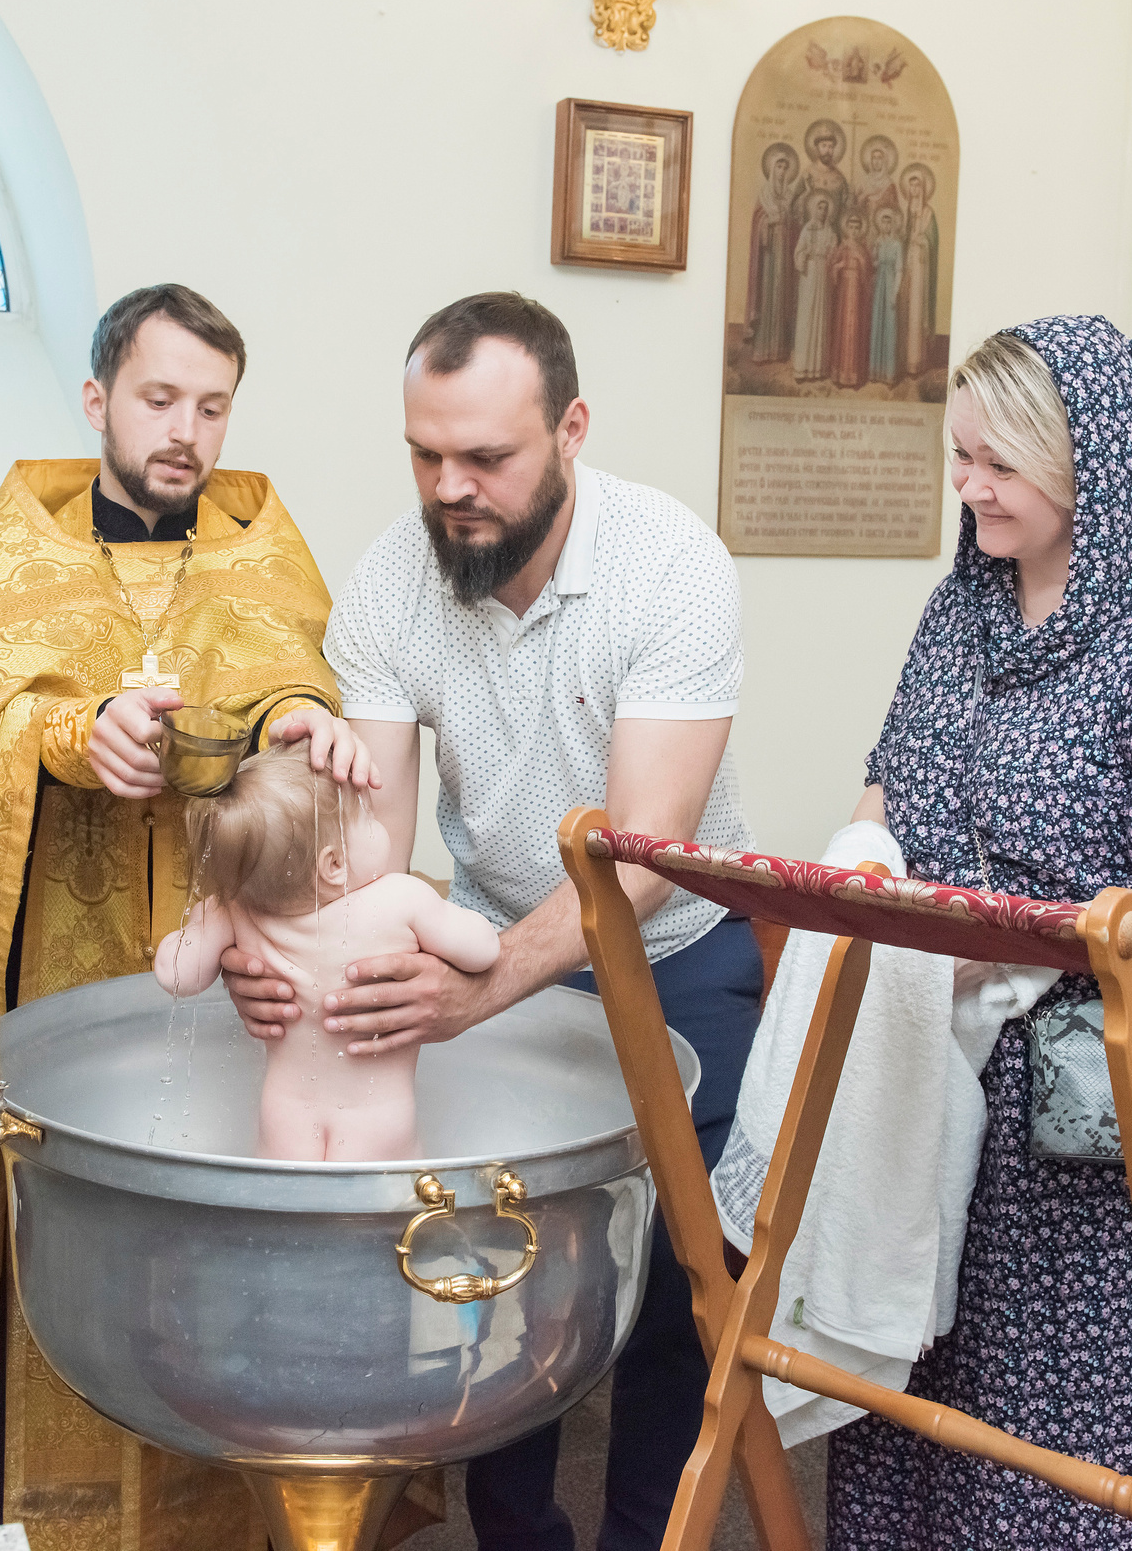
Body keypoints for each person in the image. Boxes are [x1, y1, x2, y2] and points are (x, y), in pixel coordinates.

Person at [0, 283, 375, 1547]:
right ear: (97, 400)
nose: (186, 430)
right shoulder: (18, 545)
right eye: (158, 398)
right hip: (52, 966)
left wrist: (296, 716)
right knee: (60, 1228)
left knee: (197, 1247)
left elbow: (295, 671)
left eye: (210, 405)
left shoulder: (262, 543)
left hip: (215, 967)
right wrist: (72, 735)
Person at [226, 291, 760, 1551]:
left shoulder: (670, 566)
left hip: (674, 952)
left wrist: (481, 986)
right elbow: (368, 856)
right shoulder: (390, 584)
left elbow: (643, 863)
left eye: (486, 457)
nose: (449, 486)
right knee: (491, 1265)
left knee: (684, 1288)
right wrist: (277, 948)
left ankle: (645, 1536)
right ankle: (517, 1539)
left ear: (570, 429)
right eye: (425, 453)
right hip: (489, 937)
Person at [824, 316, 1132, 1549]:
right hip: (936, 1057)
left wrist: (1020, 943)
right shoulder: (964, 607)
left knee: (1052, 1446)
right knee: (910, 1385)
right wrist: (859, 858)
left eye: (998, 463)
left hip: (1088, 1093)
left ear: (1088, 459)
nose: (969, 487)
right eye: (959, 457)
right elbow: (895, 782)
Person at [154, 743, 500, 1161]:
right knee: (384, 1222)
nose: (377, 823)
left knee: (291, 1224)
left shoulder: (235, 911)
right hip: (379, 1119)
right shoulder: (402, 899)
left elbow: (177, 976)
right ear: (333, 864)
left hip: (285, 1119)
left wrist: (198, 922)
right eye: (367, 817)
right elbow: (483, 950)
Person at [748, 143, 802, 363]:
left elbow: (796, 222)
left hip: (786, 252)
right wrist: (770, 221)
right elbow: (757, 220)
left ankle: (779, 349)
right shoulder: (764, 193)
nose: (782, 171)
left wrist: (790, 219)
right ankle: (763, 348)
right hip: (769, 253)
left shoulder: (789, 194)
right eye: (778, 166)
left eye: (785, 167)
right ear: (772, 169)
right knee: (769, 295)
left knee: (782, 297)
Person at [897, 164, 940, 380]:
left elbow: (932, 241)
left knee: (916, 310)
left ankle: (916, 362)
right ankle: (903, 361)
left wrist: (921, 241)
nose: (914, 191)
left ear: (923, 189)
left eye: (917, 187)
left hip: (921, 267)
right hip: (907, 263)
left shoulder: (928, 213)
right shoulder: (907, 212)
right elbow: (902, 237)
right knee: (905, 309)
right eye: (911, 187)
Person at [792, 192, 839, 382]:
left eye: (825, 209)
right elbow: (799, 253)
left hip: (823, 275)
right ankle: (802, 368)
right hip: (809, 274)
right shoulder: (807, 230)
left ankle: (818, 369)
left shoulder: (830, 232)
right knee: (807, 315)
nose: (822, 211)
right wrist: (807, 254)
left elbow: (834, 254)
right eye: (819, 208)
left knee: (821, 316)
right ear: (813, 209)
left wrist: (829, 256)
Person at [829, 211, 874, 390]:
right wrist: (838, 267)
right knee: (842, 327)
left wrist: (862, 262)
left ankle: (855, 376)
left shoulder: (863, 249)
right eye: (851, 227)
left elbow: (868, 272)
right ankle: (840, 375)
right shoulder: (842, 246)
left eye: (857, 227)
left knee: (855, 329)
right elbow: (831, 268)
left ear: (860, 229)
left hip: (857, 294)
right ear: (846, 228)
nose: (854, 230)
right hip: (844, 292)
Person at [869, 206, 906, 385]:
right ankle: (876, 372)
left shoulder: (897, 244)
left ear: (893, 224)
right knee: (878, 322)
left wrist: (894, 292)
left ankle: (889, 374)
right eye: (883, 221)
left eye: (889, 221)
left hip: (890, 284)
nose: (886, 224)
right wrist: (874, 251)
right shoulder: (879, 242)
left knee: (889, 326)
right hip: (879, 286)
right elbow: (874, 264)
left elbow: (899, 269)